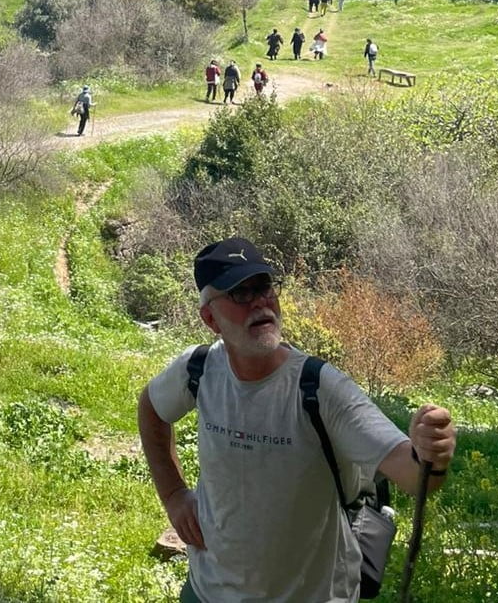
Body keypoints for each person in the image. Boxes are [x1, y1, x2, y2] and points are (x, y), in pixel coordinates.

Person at [137, 237, 457, 603]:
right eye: (240, 293)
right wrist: (174, 495)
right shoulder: (198, 370)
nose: (259, 301)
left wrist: (431, 452)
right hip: (208, 591)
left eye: (263, 287)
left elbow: (415, 475)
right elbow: (150, 409)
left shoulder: (319, 388)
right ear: (210, 318)